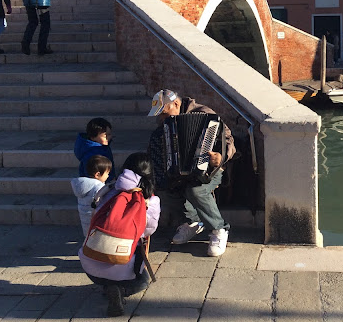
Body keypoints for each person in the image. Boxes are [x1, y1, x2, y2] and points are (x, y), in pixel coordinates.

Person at [147, 89, 235, 257]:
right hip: (180, 170)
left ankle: (219, 229)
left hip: (211, 169)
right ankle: (192, 222)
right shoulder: (165, 126)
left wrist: (220, 157)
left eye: (164, 113)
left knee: (195, 190)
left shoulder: (205, 114)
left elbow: (228, 140)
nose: (161, 119)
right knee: (164, 189)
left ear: (176, 104)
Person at [78, 152, 160, 317]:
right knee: (143, 281)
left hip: (90, 262)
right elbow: (148, 231)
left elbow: (94, 215)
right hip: (123, 263)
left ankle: (108, 286)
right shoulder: (150, 200)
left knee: (101, 268)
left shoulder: (108, 189)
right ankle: (120, 290)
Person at [70, 154, 112, 237]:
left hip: (85, 222)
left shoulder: (82, 186)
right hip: (96, 222)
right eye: (107, 173)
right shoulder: (99, 188)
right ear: (97, 174)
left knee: (89, 238)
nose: (108, 176)